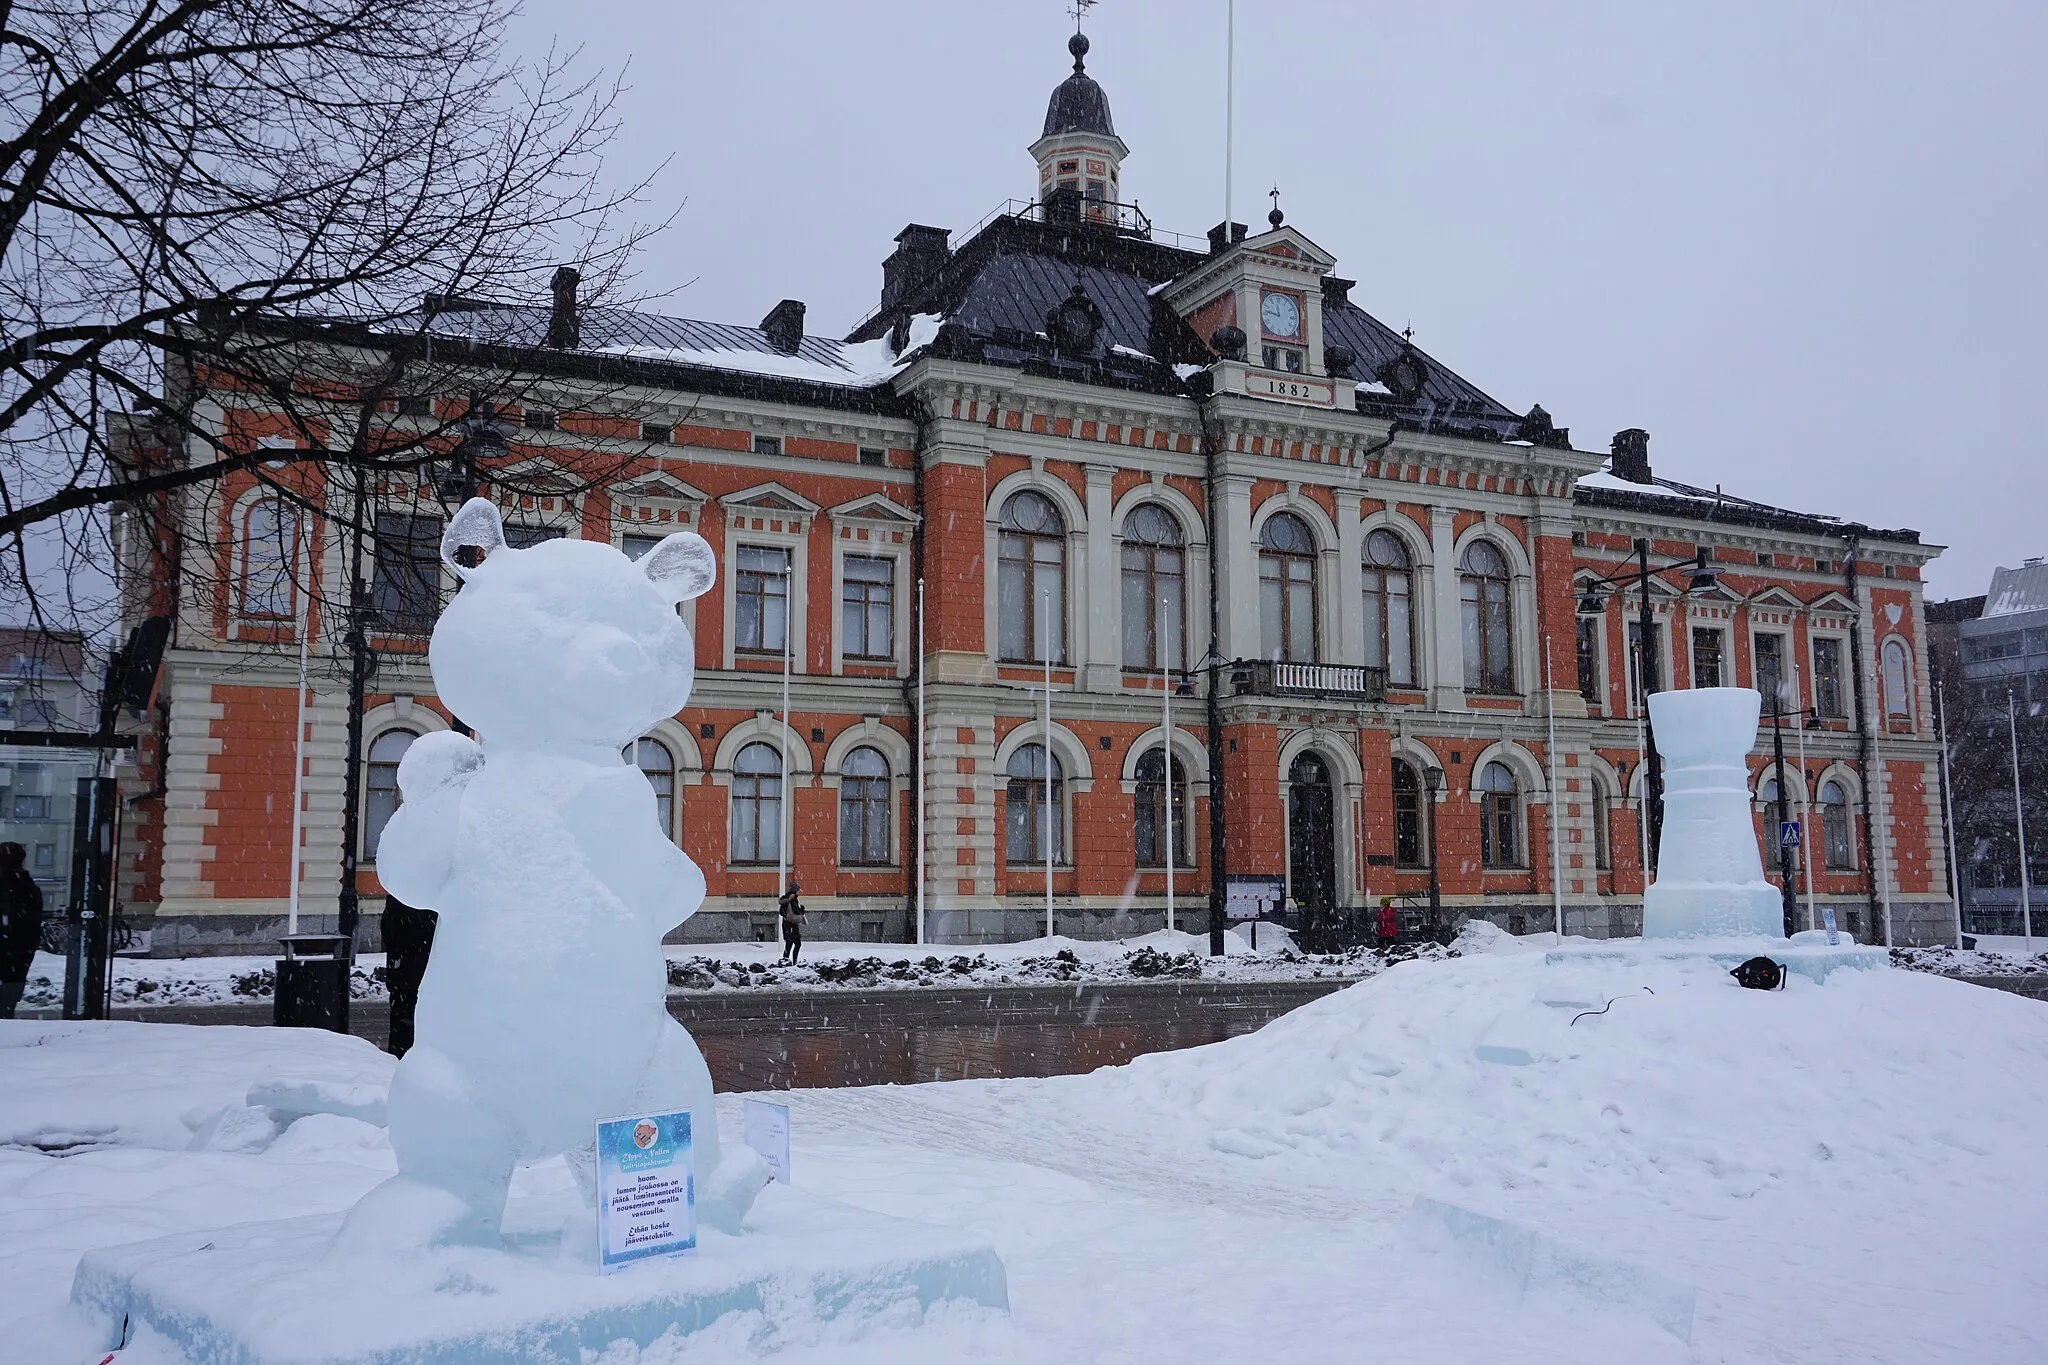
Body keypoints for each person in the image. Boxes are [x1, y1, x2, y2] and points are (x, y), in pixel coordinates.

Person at [0, 842, 45, 1019]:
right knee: (6, 1007)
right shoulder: (29, 888)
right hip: (18, 957)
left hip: (11, 953)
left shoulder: (8, 888)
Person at [776, 882, 805, 965]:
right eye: (798, 890)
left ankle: (786, 961)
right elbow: (796, 913)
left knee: (789, 944)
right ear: (795, 890)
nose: (799, 891)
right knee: (796, 944)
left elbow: (782, 911)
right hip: (791, 925)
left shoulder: (787, 898)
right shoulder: (792, 899)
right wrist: (802, 910)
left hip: (787, 925)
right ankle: (792, 962)